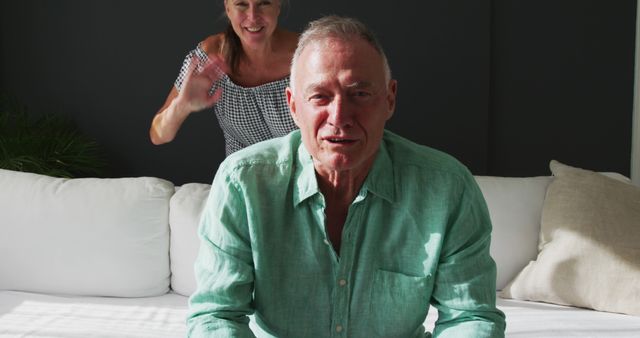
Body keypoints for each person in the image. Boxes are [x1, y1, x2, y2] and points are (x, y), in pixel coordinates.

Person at [188, 15, 506, 337]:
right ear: (294, 106)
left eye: (360, 94)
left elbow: (470, 319)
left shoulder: (447, 187)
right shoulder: (242, 183)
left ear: (390, 99)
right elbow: (216, 317)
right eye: (320, 97)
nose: (339, 118)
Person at [150, 0, 299, 156]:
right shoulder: (209, 57)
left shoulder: (307, 54)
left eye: (264, 3)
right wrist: (182, 106)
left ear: (278, 6)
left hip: (305, 175)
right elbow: (158, 135)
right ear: (228, 8)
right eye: (241, 4)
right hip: (243, 176)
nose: (253, 17)